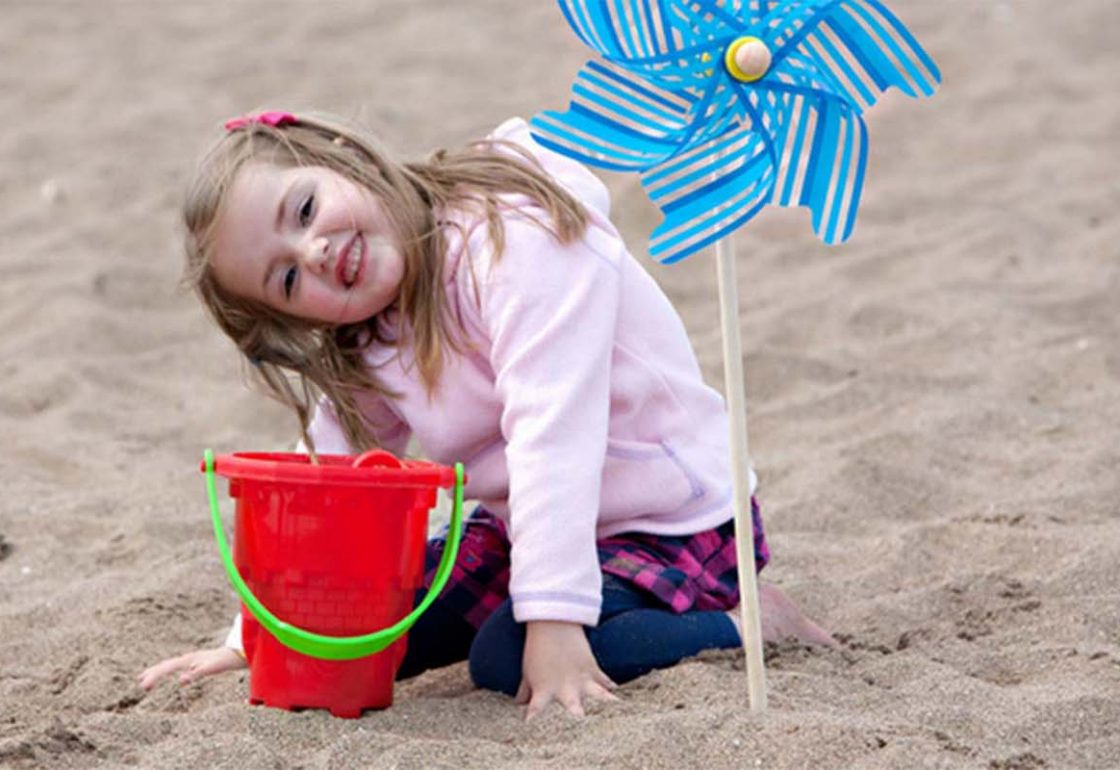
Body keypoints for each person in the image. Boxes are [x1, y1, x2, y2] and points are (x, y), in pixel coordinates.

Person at [138, 110, 833, 718]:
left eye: (305, 209)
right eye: (287, 278)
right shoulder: (369, 329)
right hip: (534, 524)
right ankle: (545, 604)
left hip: (672, 520)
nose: (313, 250)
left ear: (342, 159)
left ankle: (748, 625)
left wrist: (553, 621)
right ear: (294, 319)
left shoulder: (513, 235)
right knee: (364, 627)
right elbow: (327, 483)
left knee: (508, 656)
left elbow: (552, 433)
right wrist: (257, 637)